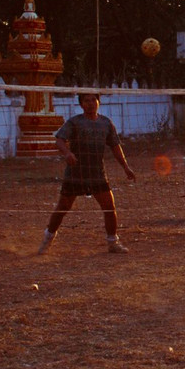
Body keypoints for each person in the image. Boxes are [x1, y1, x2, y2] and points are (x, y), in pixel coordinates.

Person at [38, 92, 136, 255]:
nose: (90, 103)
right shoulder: (75, 122)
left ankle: (113, 242)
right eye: (86, 101)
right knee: (63, 207)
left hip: (97, 173)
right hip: (76, 173)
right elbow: (59, 140)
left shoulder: (106, 123)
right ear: (81, 104)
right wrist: (67, 153)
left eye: (93, 100)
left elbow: (115, 146)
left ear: (98, 102)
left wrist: (125, 167)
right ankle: (47, 241)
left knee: (109, 207)